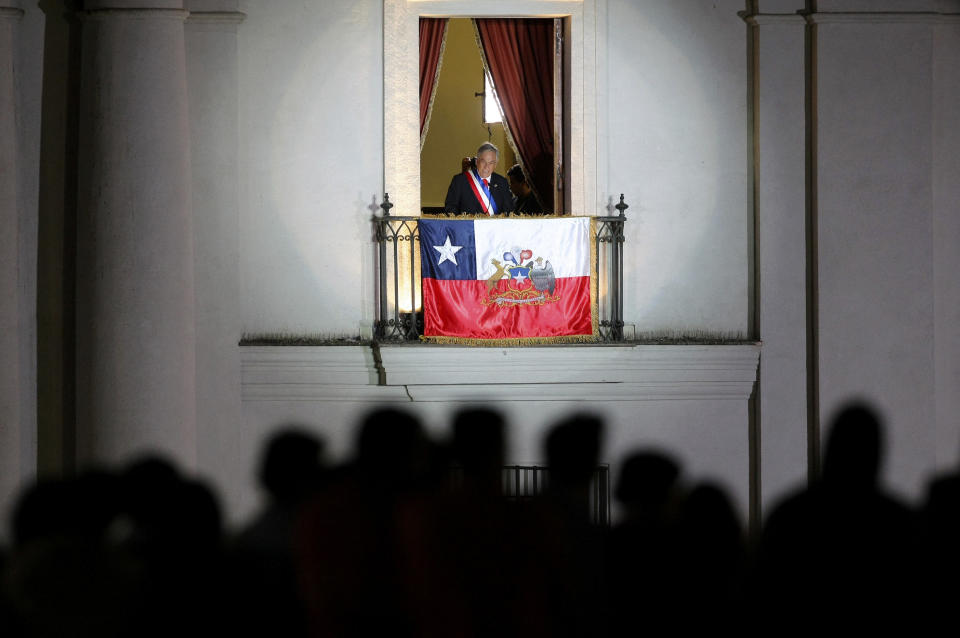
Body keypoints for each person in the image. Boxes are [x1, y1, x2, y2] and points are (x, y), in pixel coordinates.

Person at [444, 142, 513, 215]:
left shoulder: (502, 182)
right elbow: (450, 209)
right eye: (483, 161)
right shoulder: (460, 181)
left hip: (495, 226)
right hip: (469, 226)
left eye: (491, 163)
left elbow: (508, 211)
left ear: (495, 164)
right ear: (477, 162)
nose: (487, 166)